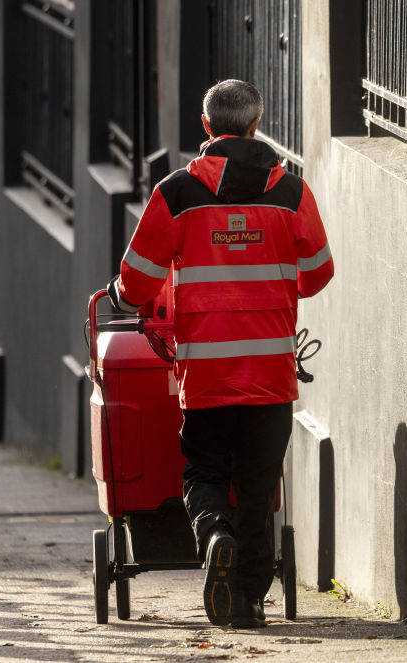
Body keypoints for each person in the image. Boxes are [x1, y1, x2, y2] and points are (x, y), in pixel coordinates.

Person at [106, 79, 333, 628]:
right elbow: (318, 273)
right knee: (258, 483)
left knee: (204, 469)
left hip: (206, 372)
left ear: (206, 127)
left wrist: (119, 294)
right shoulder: (291, 194)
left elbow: (136, 284)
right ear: (257, 126)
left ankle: (214, 536)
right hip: (269, 370)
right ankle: (249, 602)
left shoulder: (177, 193)